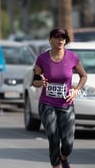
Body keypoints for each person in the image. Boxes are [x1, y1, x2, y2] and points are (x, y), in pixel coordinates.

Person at [32, 28, 87, 168]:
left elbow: (84, 76)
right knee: (53, 137)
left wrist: (76, 90)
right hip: (47, 103)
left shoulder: (72, 57)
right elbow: (34, 81)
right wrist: (41, 82)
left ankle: (63, 157)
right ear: (50, 40)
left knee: (68, 142)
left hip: (66, 104)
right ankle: (55, 165)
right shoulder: (42, 58)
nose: (61, 40)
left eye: (63, 37)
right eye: (57, 37)